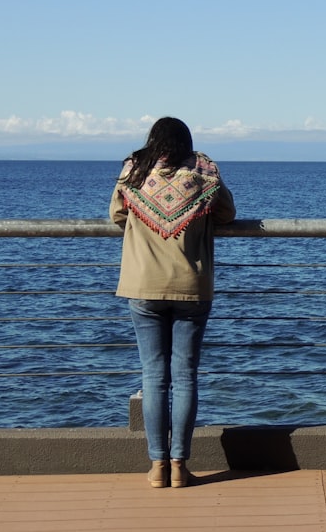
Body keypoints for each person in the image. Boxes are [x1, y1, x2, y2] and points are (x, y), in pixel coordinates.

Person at [110, 117, 236, 488]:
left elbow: (116, 214)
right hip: (191, 287)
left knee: (153, 377)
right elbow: (227, 213)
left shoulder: (133, 170)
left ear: (152, 141)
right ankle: (180, 465)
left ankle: (156, 467)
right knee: (184, 378)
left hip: (143, 285)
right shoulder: (203, 170)